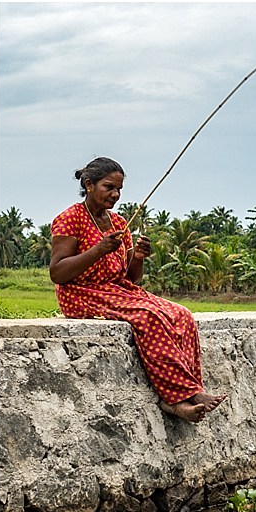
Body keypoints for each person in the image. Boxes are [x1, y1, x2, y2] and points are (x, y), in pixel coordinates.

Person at [50, 157, 224, 422]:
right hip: (82, 293)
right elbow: (58, 273)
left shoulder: (120, 223)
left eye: (119, 189)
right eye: (108, 187)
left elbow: (133, 277)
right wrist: (97, 250)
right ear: (88, 185)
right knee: (148, 317)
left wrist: (138, 257)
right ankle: (176, 400)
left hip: (118, 290)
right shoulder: (69, 219)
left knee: (182, 315)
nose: (115, 195)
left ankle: (191, 390)